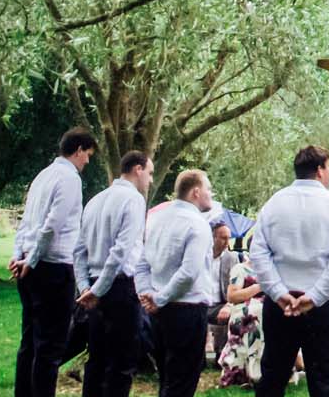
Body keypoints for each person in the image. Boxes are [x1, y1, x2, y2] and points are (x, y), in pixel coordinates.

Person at [249, 145, 329, 397]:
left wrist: (278, 292)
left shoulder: (274, 204)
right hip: (322, 305)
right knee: (323, 382)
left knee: (273, 378)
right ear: (319, 170)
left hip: (281, 305)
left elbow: (258, 253)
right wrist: (315, 297)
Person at [11, 127, 97, 397]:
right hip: (53, 267)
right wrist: (33, 259)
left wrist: (19, 255)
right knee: (50, 347)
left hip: (29, 266)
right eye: (88, 156)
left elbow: (26, 222)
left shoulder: (42, 176)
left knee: (30, 342)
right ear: (79, 149)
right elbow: (52, 226)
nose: (87, 162)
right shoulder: (69, 179)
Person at [74, 149, 153, 397]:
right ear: (137, 169)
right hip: (119, 287)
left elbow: (79, 250)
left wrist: (85, 286)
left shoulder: (95, 200)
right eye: (149, 173)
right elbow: (121, 251)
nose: (150, 180)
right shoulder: (133, 200)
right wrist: (96, 290)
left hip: (94, 286)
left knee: (97, 359)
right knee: (122, 362)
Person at [138, 169, 216, 397]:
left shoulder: (156, 219)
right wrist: (158, 299)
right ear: (196, 192)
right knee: (182, 382)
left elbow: (141, 263)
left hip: (159, 313)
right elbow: (189, 272)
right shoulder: (197, 224)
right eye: (209, 189)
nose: (211, 194)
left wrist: (147, 295)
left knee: (166, 378)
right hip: (187, 309)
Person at [217, 254, 265, 387]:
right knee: (255, 314)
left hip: (269, 309)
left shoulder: (273, 269)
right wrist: (258, 287)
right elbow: (232, 296)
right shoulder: (240, 269)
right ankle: (251, 373)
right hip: (246, 309)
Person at [207, 221, 240, 360]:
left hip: (220, 304)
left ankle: (222, 355)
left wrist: (228, 305)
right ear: (212, 238)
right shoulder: (201, 256)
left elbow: (237, 285)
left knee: (234, 314)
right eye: (223, 238)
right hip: (199, 302)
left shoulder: (232, 258)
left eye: (229, 238)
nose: (227, 242)